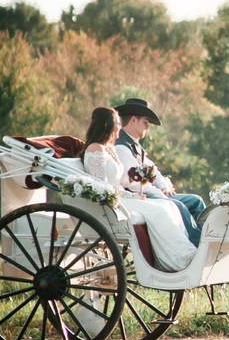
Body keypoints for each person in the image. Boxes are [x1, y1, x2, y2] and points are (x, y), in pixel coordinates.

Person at [80, 107, 197, 272]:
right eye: (117, 124)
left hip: (122, 196)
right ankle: (178, 259)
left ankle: (186, 251)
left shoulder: (109, 149)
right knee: (160, 211)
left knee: (168, 206)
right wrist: (131, 196)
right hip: (112, 202)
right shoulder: (96, 149)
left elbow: (121, 181)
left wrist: (136, 194)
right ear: (107, 125)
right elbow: (103, 187)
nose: (120, 127)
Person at [113, 98, 205, 246]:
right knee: (178, 205)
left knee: (195, 201)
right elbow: (135, 185)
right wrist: (161, 194)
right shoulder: (122, 148)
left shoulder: (134, 146)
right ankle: (197, 244)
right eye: (145, 122)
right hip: (137, 198)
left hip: (151, 194)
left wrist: (164, 186)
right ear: (133, 120)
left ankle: (205, 237)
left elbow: (152, 169)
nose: (147, 127)